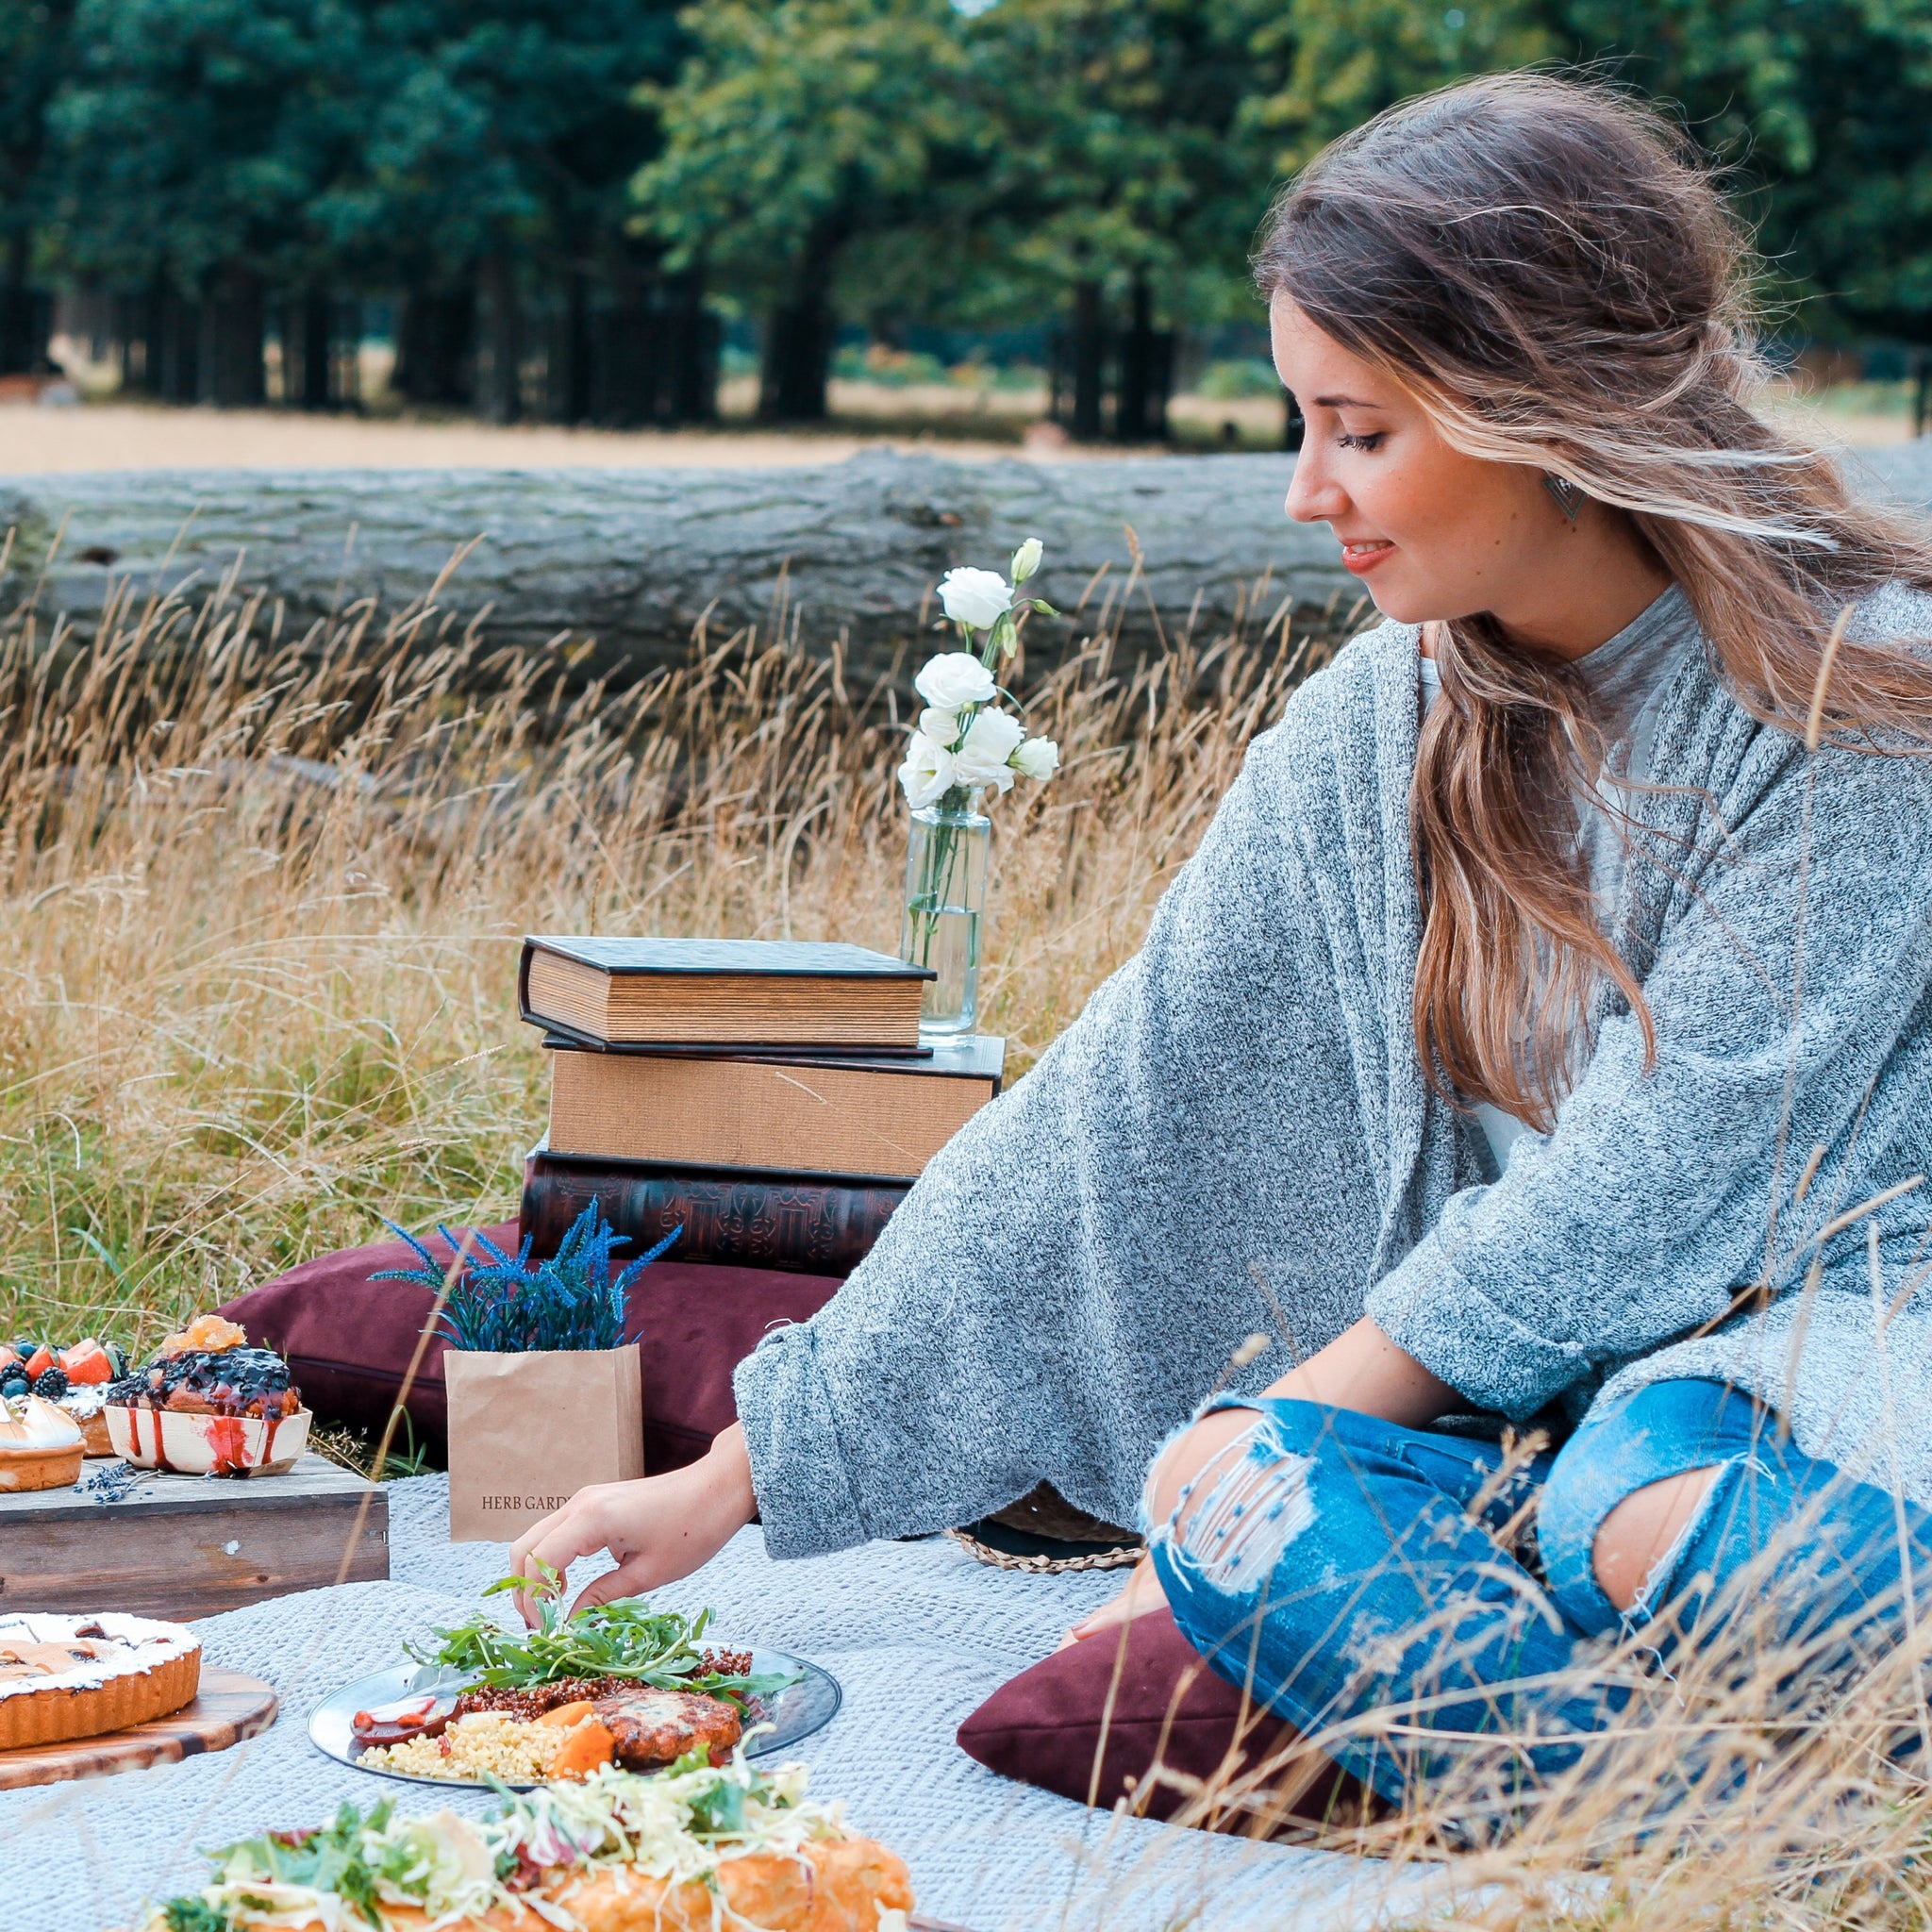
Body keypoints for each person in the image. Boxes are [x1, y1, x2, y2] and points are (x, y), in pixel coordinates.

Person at [512, 73, 1932, 1811]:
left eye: (1358, 428)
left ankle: (1672, 1731)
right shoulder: (1385, 719)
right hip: (1521, 1400)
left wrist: (1304, 1413)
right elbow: (1116, 1099)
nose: (1302, 491)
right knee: (1219, 1493)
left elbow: (1670, 1169)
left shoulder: (1858, 703)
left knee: (1636, 1504)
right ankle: (1672, 1823)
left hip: (1821, 1351)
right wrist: (736, 1473)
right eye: (1299, 421)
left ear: (1544, 406)